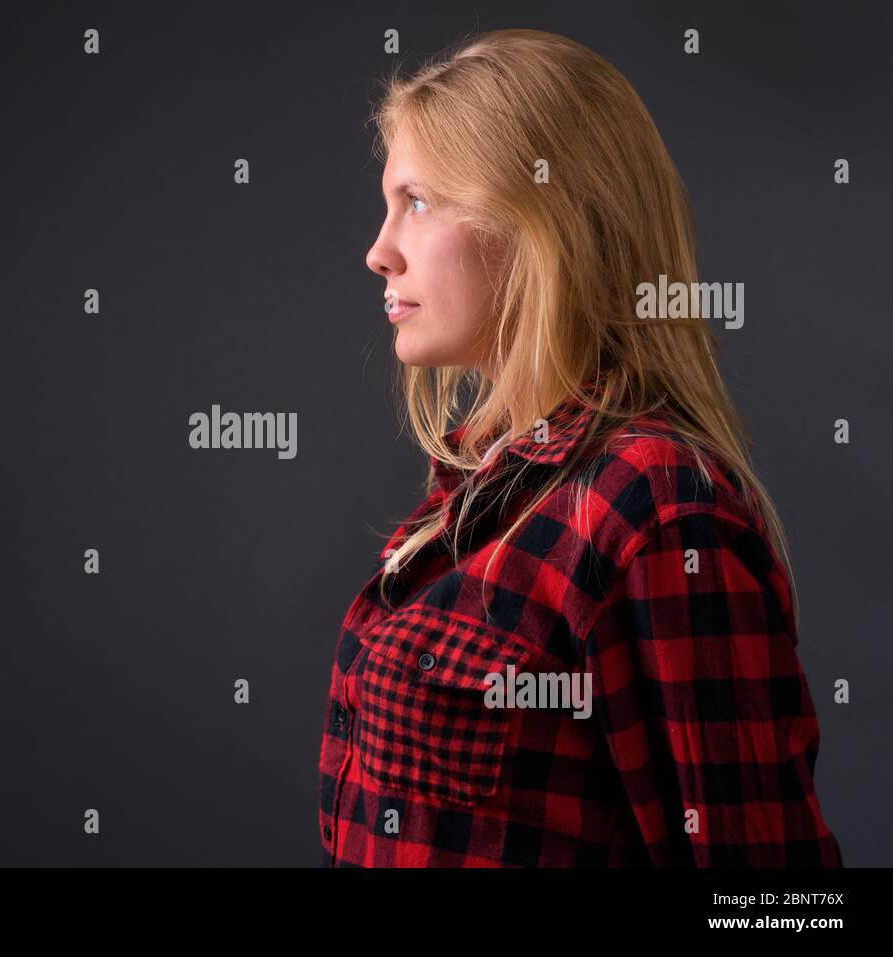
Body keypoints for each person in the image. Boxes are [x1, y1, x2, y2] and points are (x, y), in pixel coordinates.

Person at [316, 28, 843, 867]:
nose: (379, 250)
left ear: (536, 221)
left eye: (416, 201)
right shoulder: (482, 485)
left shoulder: (658, 509)